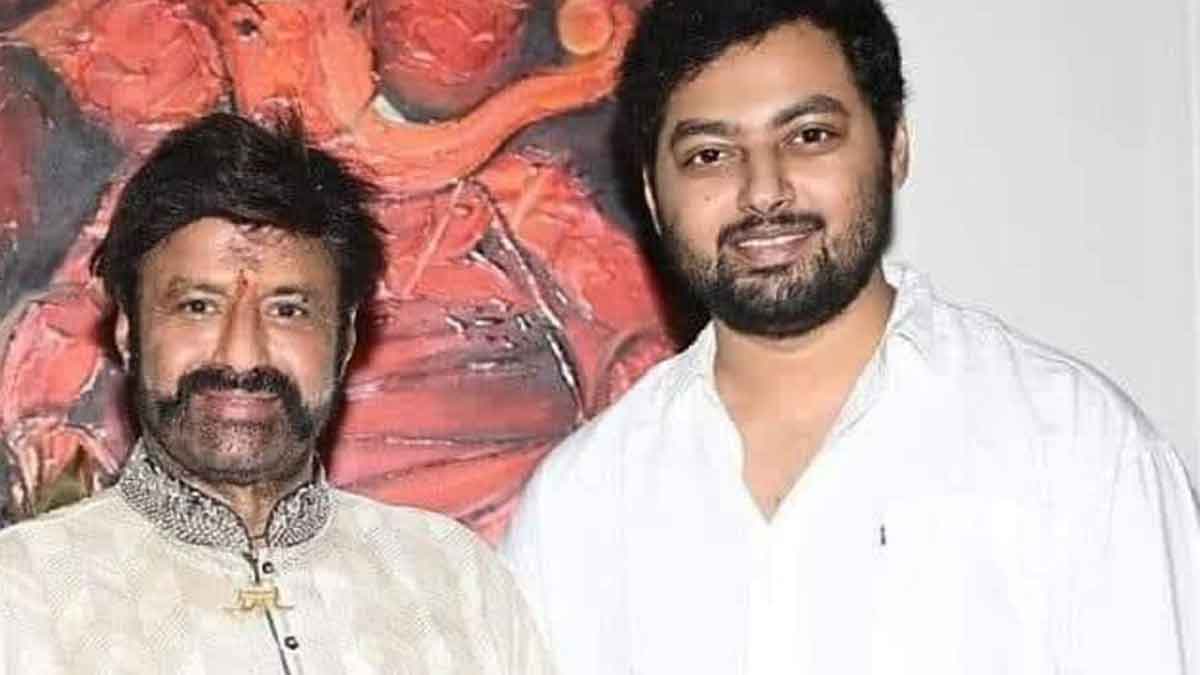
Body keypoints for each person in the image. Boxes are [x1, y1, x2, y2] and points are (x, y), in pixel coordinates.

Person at [501, 1, 1200, 673]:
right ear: (654, 197)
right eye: (710, 154)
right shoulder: (581, 504)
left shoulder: (1072, 449)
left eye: (809, 136)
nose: (763, 191)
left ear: (894, 148)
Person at [0, 113, 552, 674]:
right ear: (128, 332)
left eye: (287, 310)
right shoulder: (24, 597)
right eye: (198, 306)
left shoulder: (456, 583)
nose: (242, 356)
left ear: (345, 340)